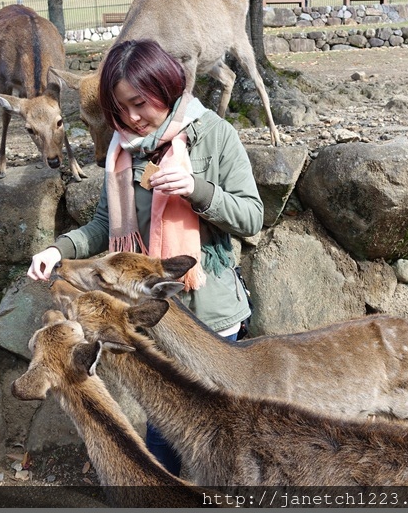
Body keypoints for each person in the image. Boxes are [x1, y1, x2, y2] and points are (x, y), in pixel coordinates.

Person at [27, 39, 263, 475]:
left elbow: (251, 217)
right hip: (148, 317)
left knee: (226, 432)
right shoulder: (122, 152)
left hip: (211, 317)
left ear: (166, 86)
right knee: (165, 428)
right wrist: (57, 250)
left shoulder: (214, 135)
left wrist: (197, 190)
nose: (133, 118)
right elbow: (103, 224)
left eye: (140, 103)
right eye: (121, 109)